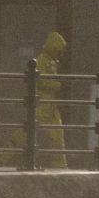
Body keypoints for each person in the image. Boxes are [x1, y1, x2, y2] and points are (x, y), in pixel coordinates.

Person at [32, 30, 69, 168]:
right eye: (59, 50)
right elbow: (40, 81)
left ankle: (59, 163)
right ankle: (3, 157)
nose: (60, 53)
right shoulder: (42, 60)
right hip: (42, 103)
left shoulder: (51, 61)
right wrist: (58, 85)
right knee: (27, 133)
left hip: (49, 104)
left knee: (57, 132)